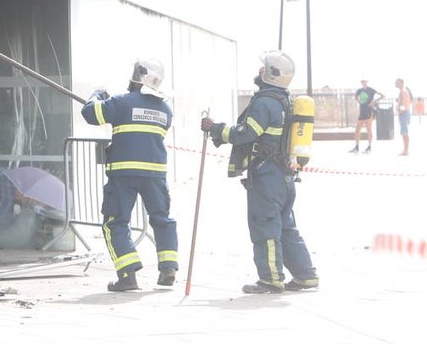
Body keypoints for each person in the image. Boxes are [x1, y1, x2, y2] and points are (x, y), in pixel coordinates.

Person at [200, 50, 319, 294]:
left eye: (263, 68)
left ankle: (271, 279)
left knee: (265, 226)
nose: (259, 72)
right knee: (285, 227)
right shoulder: (284, 100)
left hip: (267, 176)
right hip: (284, 175)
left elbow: (246, 133)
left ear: (269, 74)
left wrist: (216, 129)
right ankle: (306, 276)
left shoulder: (265, 102)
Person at [81, 60, 178, 291]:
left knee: (115, 221)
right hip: (155, 175)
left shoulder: (121, 103)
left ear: (136, 77)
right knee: (162, 219)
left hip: (123, 174)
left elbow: (89, 113)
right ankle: (168, 269)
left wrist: (97, 95)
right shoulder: (165, 109)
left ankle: (127, 275)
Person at [350, 79, 384, 153]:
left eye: (365, 81)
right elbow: (355, 96)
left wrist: (374, 101)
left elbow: (382, 96)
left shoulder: (371, 90)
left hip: (369, 112)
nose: (364, 82)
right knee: (357, 130)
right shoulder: (359, 90)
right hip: (361, 113)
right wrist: (358, 101)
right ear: (361, 82)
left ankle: (369, 147)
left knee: (368, 130)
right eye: (362, 81)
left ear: (367, 82)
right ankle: (356, 147)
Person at [396, 78, 412, 156]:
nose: (396, 84)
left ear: (402, 83)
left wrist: (400, 111)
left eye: (397, 83)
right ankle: (405, 150)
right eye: (396, 83)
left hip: (404, 113)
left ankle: (406, 150)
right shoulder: (402, 91)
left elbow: (405, 104)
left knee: (405, 132)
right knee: (403, 132)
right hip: (404, 113)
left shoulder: (404, 92)